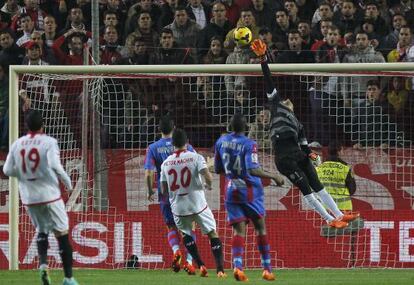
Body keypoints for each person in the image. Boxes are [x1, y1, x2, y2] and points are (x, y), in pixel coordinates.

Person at [250, 38, 360, 229]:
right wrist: (263, 59)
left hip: (298, 154)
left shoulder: (298, 124)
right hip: (284, 159)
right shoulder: (276, 106)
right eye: (287, 100)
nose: (288, 101)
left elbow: (304, 146)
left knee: (318, 185)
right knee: (307, 190)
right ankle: (329, 219)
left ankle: (340, 215)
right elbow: (268, 81)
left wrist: (312, 154)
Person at [3, 110, 79, 285]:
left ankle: (43, 265)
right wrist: (68, 183)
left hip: (29, 197)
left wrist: (23, 174)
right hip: (49, 194)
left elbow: (7, 170)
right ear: (42, 125)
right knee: (62, 233)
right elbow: (55, 165)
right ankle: (68, 278)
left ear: (26, 125)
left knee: (42, 230)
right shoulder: (49, 142)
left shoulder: (18, 143)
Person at [214, 113, 285, 282]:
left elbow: (218, 169)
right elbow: (252, 169)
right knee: (260, 228)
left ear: (230, 127)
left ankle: (238, 266)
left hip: (231, 190)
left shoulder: (221, 141)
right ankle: (267, 269)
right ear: (246, 128)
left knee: (239, 231)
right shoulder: (249, 144)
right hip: (250, 191)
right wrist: (274, 176)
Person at [160, 128, 226, 278]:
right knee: (212, 233)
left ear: (173, 144)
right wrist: (208, 185)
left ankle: (200, 265)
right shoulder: (195, 157)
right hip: (197, 204)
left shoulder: (165, 164)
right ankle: (220, 270)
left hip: (179, 207)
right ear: (187, 142)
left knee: (185, 233)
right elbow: (207, 177)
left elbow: (163, 189)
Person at [144, 115, 196, 274]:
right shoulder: (185, 146)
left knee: (171, 226)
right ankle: (189, 261)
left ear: (159, 130)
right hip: (185, 192)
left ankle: (175, 251)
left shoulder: (152, 148)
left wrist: (150, 190)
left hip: (165, 192)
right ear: (174, 129)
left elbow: (148, 173)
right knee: (189, 227)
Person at [316, 141, 356, 212]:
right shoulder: (345, 168)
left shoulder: (319, 168)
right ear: (339, 151)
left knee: (325, 223)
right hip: (343, 206)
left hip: (324, 206)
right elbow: (352, 189)